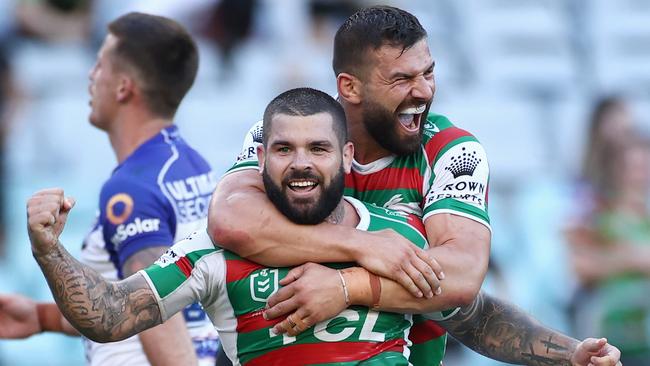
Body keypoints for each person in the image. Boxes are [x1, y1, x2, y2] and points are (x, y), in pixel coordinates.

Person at [26, 87, 621, 366]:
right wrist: (49, 249)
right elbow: (109, 314)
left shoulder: (397, 239)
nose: (301, 162)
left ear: (346, 159)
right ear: (260, 161)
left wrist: (569, 354)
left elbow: (476, 317)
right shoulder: (215, 249)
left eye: (317, 148)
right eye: (283, 149)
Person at [209, 6, 489, 364]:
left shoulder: (451, 151)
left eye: (428, 73)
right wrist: (364, 245)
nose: (423, 91)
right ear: (350, 86)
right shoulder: (287, 135)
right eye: (402, 79)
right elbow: (229, 218)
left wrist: (347, 287)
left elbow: (463, 273)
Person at [0, 12, 219, 366]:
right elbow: (130, 304)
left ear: (123, 87)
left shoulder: (130, 191)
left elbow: (154, 313)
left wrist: (48, 251)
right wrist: (43, 318)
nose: (90, 75)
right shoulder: (193, 165)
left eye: (100, 64)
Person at [568, 137, 650, 366]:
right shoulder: (598, 214)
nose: (640, 175)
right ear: (617, 170)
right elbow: (579, 266)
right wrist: (631, 259)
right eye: (633, 167)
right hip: (610, 339)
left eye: (645, 166)